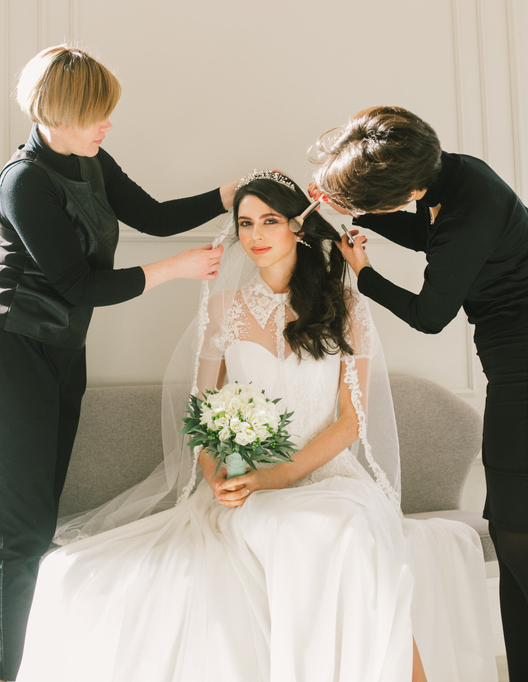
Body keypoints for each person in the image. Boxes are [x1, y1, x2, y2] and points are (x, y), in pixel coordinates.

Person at [16, 172, 497, 682]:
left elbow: (352, 421)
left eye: (269, 220)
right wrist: (221, 475)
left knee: (341, 530)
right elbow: (201, 412)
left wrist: (280, 476)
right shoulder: (223, 308)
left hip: (328, 479)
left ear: (297, 227)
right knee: (80, 573)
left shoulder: (347, 305)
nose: (255, 234)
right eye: (245, 222)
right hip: (247, 490)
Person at [0, 45, 240, 682]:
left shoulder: (91, 160)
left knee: (36, 524)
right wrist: (179, 271)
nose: (108, 126)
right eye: (97, 115)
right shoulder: (23, 181)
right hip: (12, 354)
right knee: (21, 535)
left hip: (60, 352)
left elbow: (155, 217)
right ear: (57, 114)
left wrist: (228, 194)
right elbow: (78, 284)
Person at [311, 105, 528, 682]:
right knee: (512, 535)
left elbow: (431, 316)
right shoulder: (452, 172)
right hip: (513, 366)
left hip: (524, 370)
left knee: (516, 525)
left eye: (378, 201)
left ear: (407, 186)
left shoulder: (470, 208)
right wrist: (349, 204)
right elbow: (425, 230)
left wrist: (363, 273)